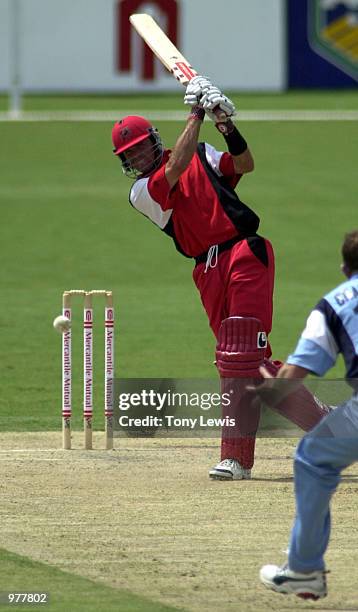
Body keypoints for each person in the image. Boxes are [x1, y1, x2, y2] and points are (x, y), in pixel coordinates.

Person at [111, 76, 330, 480]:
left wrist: (225, 125)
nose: (138, 158)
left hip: (245, 251)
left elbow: (244, 164)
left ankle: (236, 459)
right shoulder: (142, 191)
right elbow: (175, 167)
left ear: (153, 140)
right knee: (249, 364)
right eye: (130, 154)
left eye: (141, 147)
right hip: (206, 270)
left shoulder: (201, 151)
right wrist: (197, 111)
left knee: (238, 357)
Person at [254, 230, 358, 600]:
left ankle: (304, 571)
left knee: (313, 458)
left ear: (345, 268)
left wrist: (270, 392)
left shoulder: (336, 302)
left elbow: (298, 367)